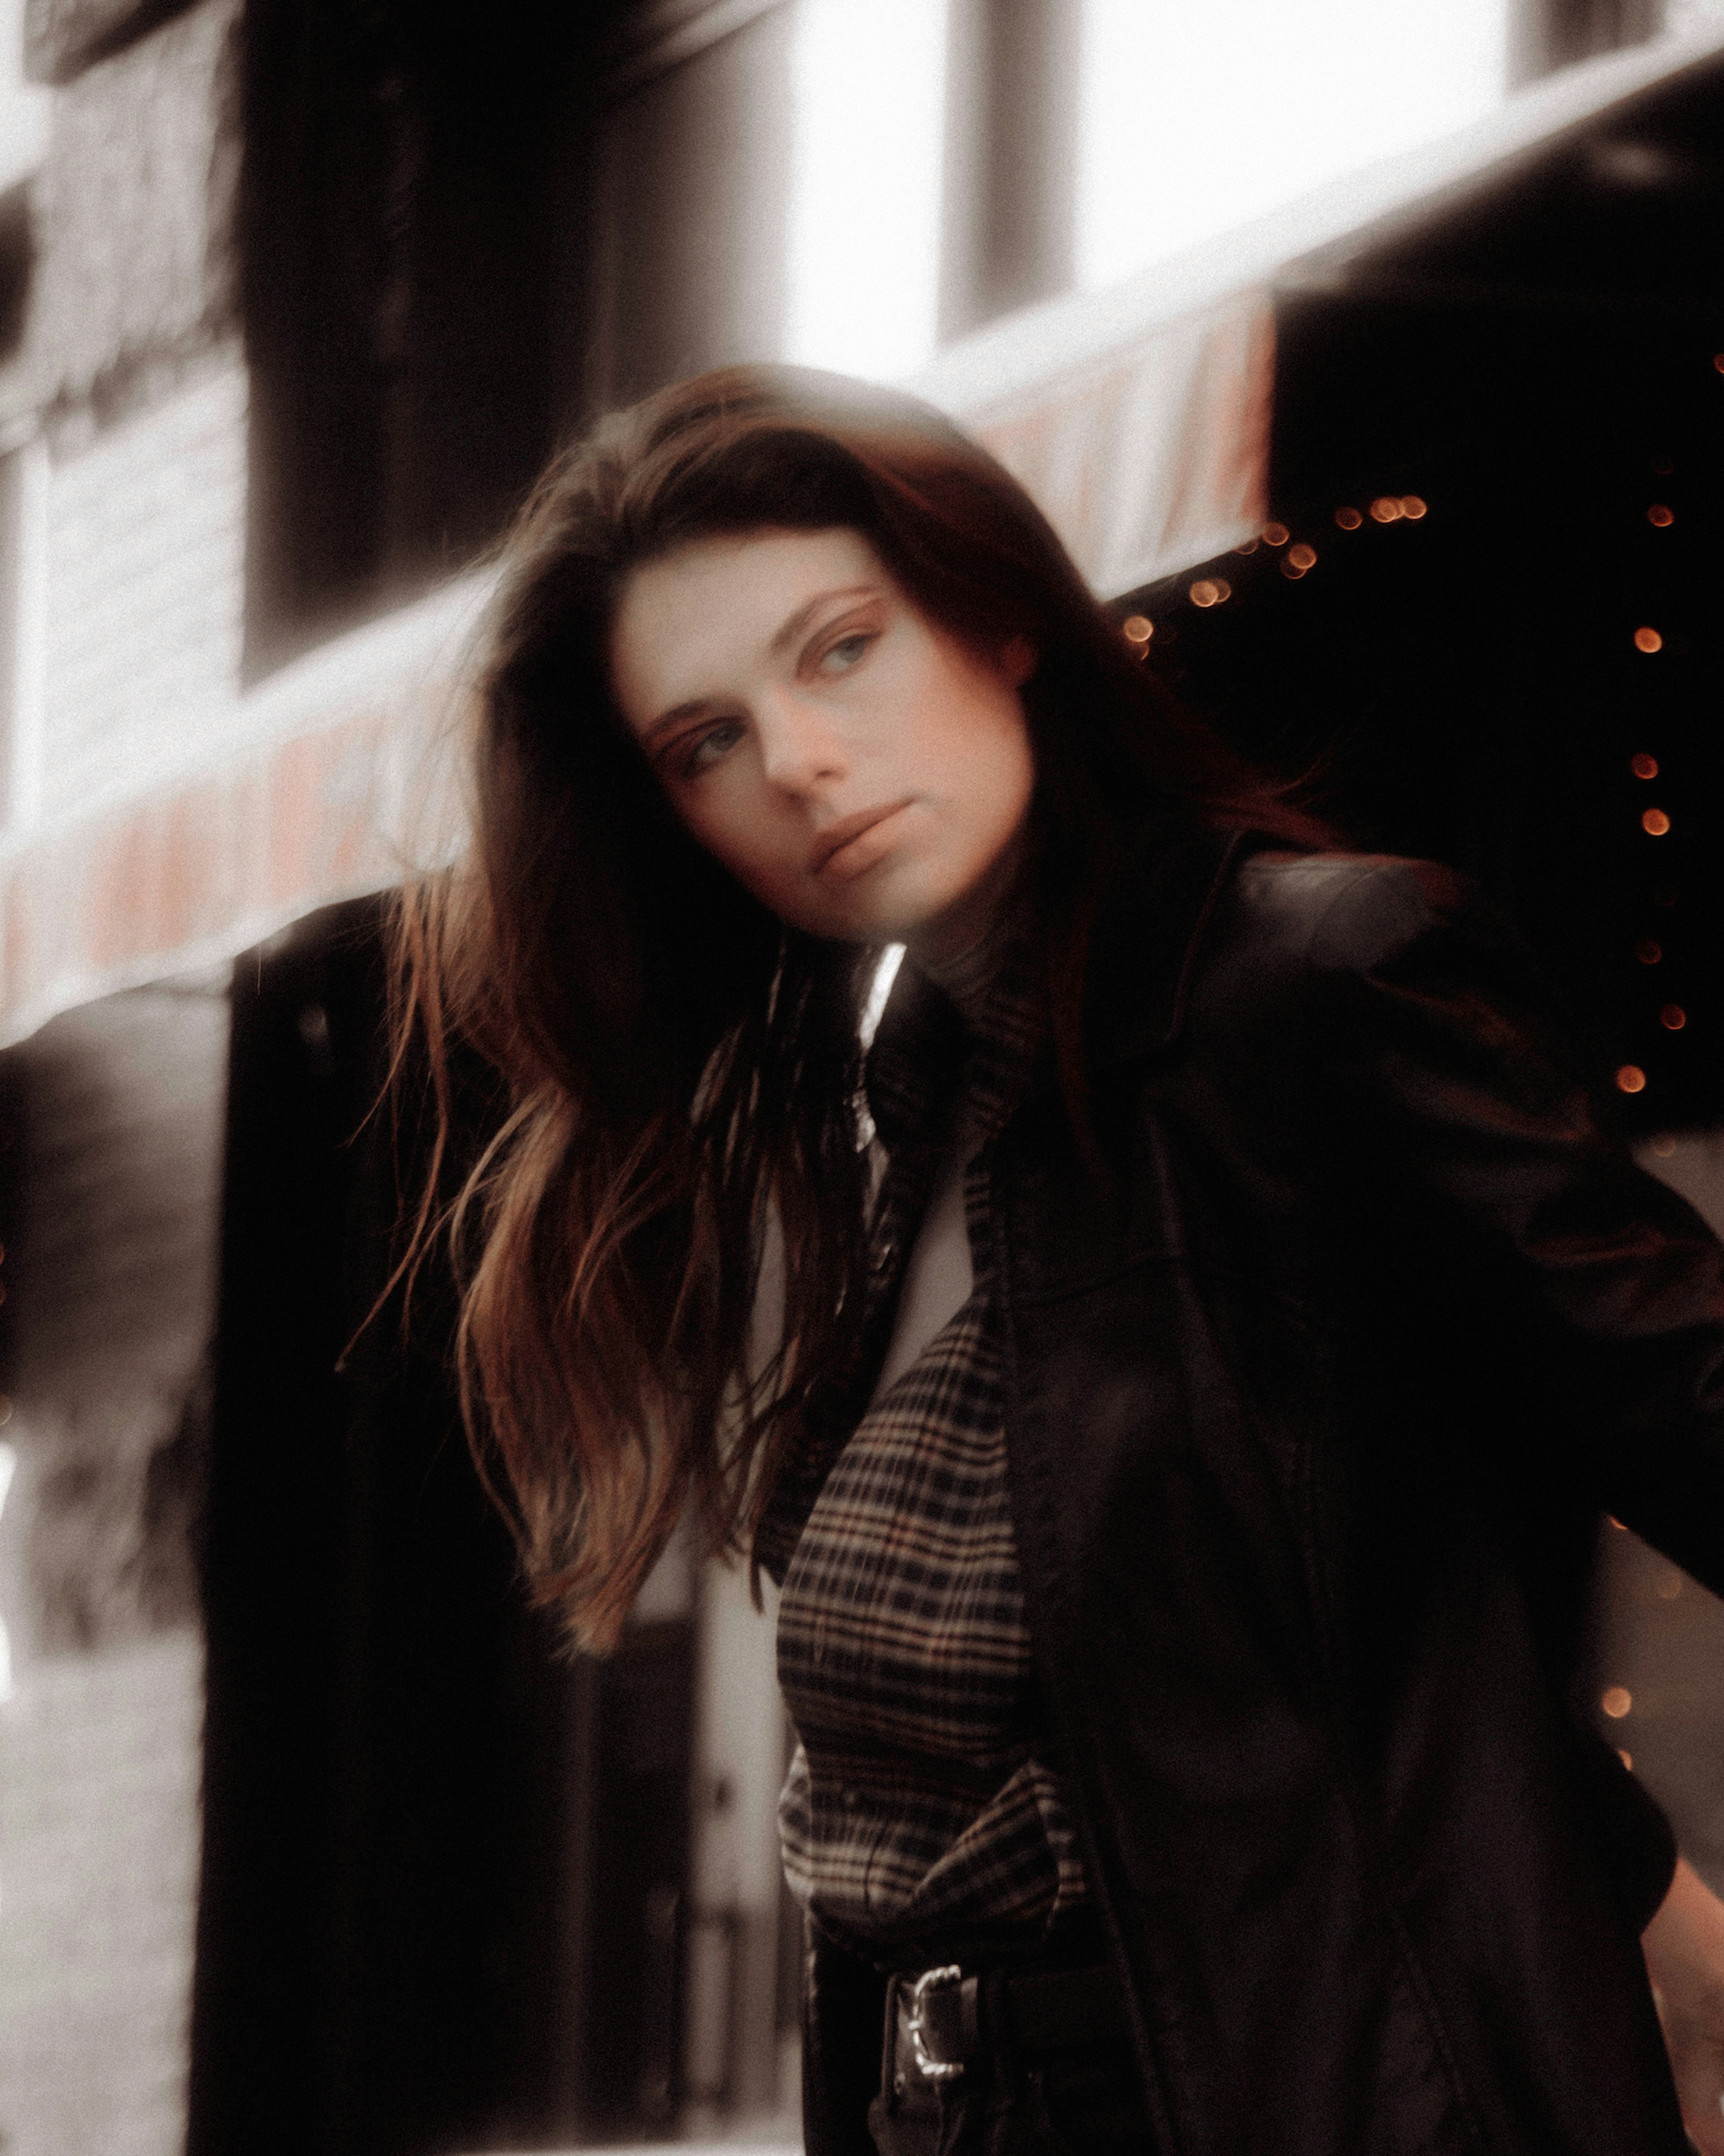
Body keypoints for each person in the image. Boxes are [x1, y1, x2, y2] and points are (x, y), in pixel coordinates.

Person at [395, 363, 1724, 2155]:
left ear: (998, 617)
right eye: (703, 743)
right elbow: (1274, 1651)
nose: (795, 762)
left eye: (839, 646)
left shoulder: (1304, 990)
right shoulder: (905, 1141)